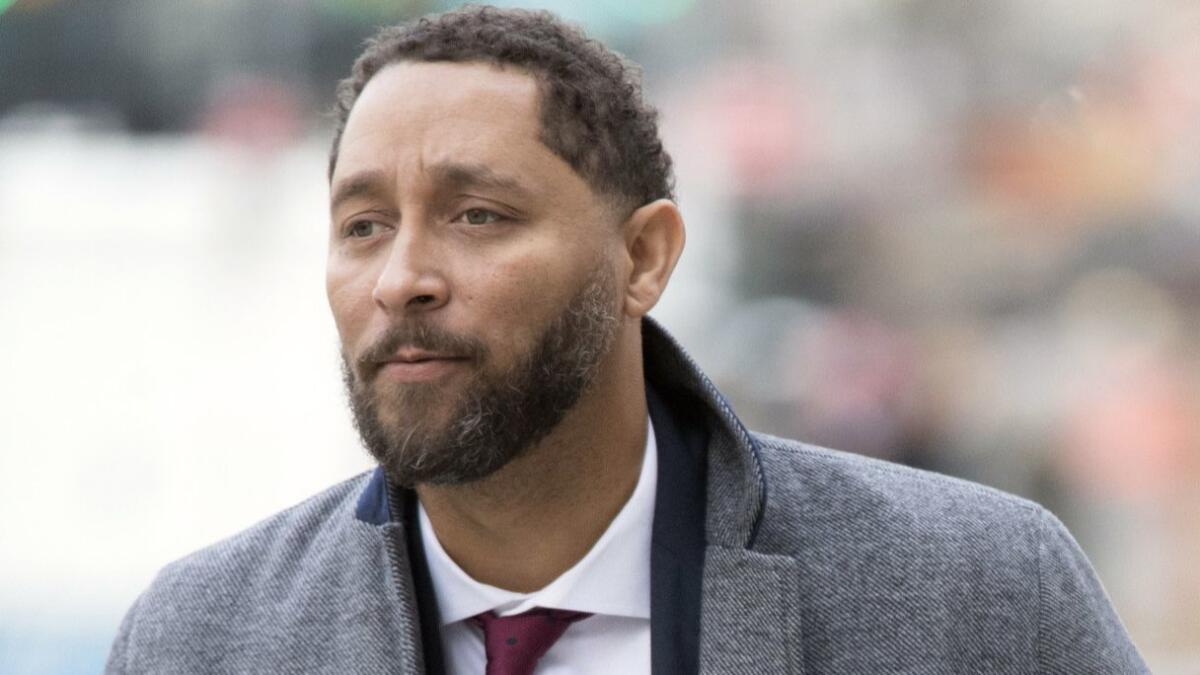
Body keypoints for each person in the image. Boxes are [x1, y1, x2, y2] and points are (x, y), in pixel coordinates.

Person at [105, 5, 1148, 674]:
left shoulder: (979, 596)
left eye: (479, 216)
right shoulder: (198, 639)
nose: (402, 280)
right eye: (362, 225)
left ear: (643, 259)